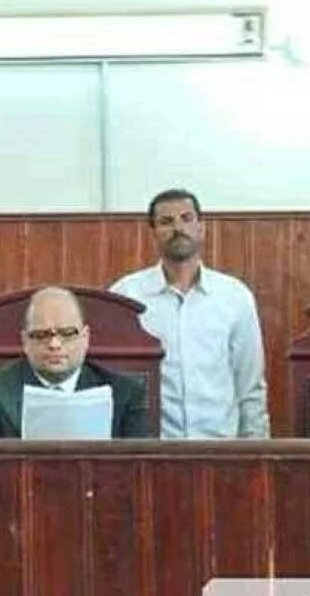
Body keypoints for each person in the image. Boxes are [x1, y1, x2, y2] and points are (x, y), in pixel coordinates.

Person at [109, 188, 269, 439]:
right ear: (153, 233)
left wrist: (257, 449)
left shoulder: (234, 296)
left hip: (221, 446)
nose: (178, 228)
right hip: (152, 447)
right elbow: (113, 381)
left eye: (186, 218)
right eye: (166, 221)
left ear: (201, 227)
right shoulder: (126, 294)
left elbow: (250, 387)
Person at [0, 286, 149, 438]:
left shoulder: (126, 393)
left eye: (67, 333)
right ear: (25, 341)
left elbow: (138, 465)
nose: (54, 344)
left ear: (85, 337)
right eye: (41, 335)